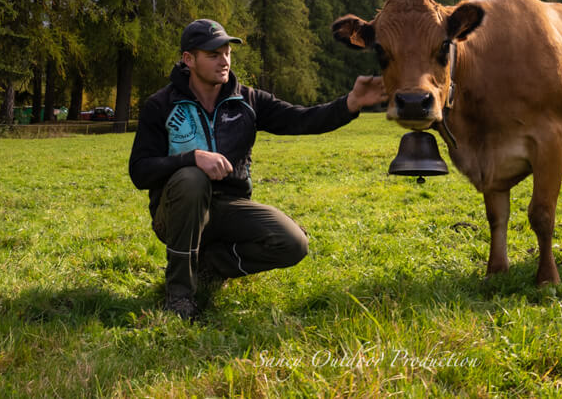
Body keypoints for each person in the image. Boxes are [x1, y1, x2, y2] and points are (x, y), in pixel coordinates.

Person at [128, 18, 387, 320]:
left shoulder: (248, 100)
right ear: (189, 59)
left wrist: (352, 103)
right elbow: (140, 171)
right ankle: (179, 297)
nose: (224, 61)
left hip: (229, 208)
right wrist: (190, 158)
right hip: (175, 212)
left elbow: (301, 119)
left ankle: (209, 265)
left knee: (293, 243)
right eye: (213, 54)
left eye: (227, 53)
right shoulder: (161, 105)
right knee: (192, 178)